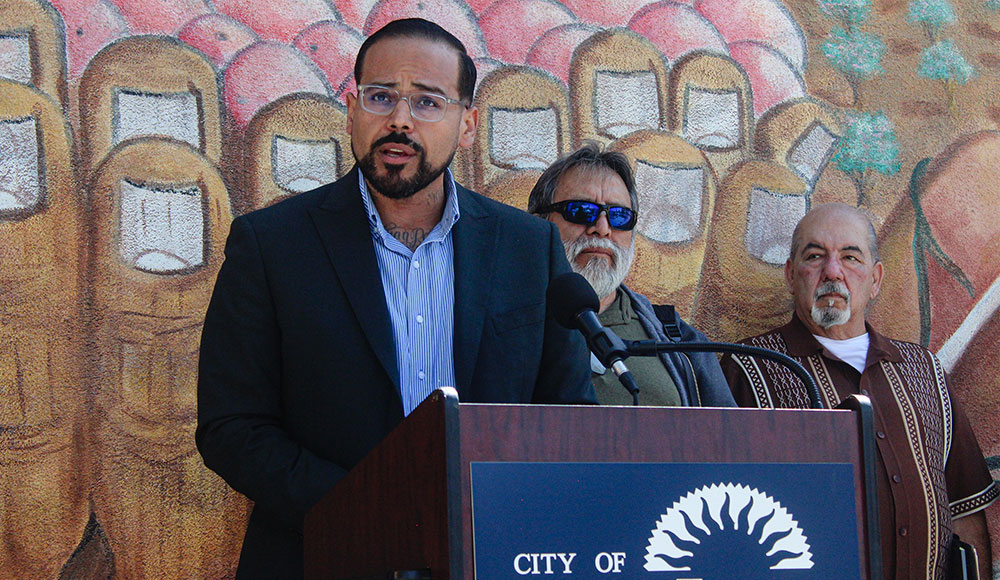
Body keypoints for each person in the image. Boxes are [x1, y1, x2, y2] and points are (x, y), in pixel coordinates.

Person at [196, 18, 594, 579]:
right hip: (322, 555)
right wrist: (369, 509)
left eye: (429, 102)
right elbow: (231, 426)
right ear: (353, 111)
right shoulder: (272, 245)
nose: (400, 120)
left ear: (468, 125)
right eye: (380, 97)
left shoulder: (528, 247)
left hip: (490, 557)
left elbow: (569, 413)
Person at [722, 203, 997, 580]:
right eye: (815, 256)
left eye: (850, 257)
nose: (832, 272)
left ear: (876, 278)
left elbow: (965, 510)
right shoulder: (748, 370)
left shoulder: (925, 371)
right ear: (790, 275)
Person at [528, 143, 734, 407]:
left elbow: (728, 443)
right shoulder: (503, 324)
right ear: (539, 221)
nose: (601, 229)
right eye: (581, 211)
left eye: (619, 216)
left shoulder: (678, 340)